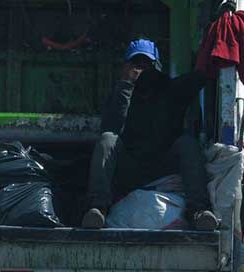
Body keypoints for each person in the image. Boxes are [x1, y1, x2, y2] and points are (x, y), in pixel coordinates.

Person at [82, 38, 220, 231]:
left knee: (187, 143)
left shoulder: (172, 90)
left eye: (147, 64)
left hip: (163, 167)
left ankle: (198, 211)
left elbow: (203, 74)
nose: (142, 70)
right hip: (130, 168)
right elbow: (113, 127)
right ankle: (98, 208)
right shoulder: (120, 93)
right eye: (136, 64)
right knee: (107, 139)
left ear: (156, 66)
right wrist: (126, 86)